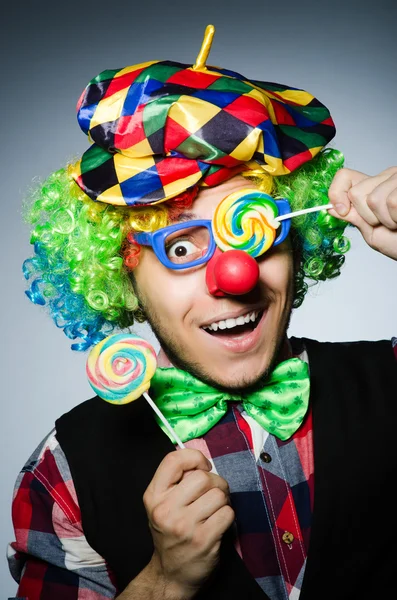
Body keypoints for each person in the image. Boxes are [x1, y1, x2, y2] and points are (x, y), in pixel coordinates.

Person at [7, 24, 397, 600]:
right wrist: (164, 583)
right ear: (123, 271)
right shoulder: (61, 473)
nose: (232, 275)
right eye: (182, 248)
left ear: (296, 239)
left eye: (253, 227)